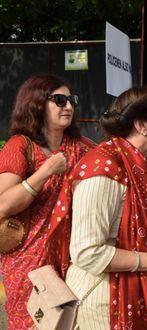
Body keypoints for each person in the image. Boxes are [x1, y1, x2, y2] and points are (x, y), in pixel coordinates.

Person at [47, 86, 147, 329]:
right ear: (142, 125)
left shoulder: (134, 164)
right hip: (102, 305)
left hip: (127, 297)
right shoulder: (106, 168)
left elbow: (124, 229)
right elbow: (88, 251)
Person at [0, 74, 94, 329]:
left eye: (71, 100)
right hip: (28, 262)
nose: (69, 107)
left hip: (73, 256)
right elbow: (4, 205)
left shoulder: (82, 147)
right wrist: (45, 172)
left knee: (69, 323)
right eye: (60, 100)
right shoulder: (20, 147)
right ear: (37, 103)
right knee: (31, 323)